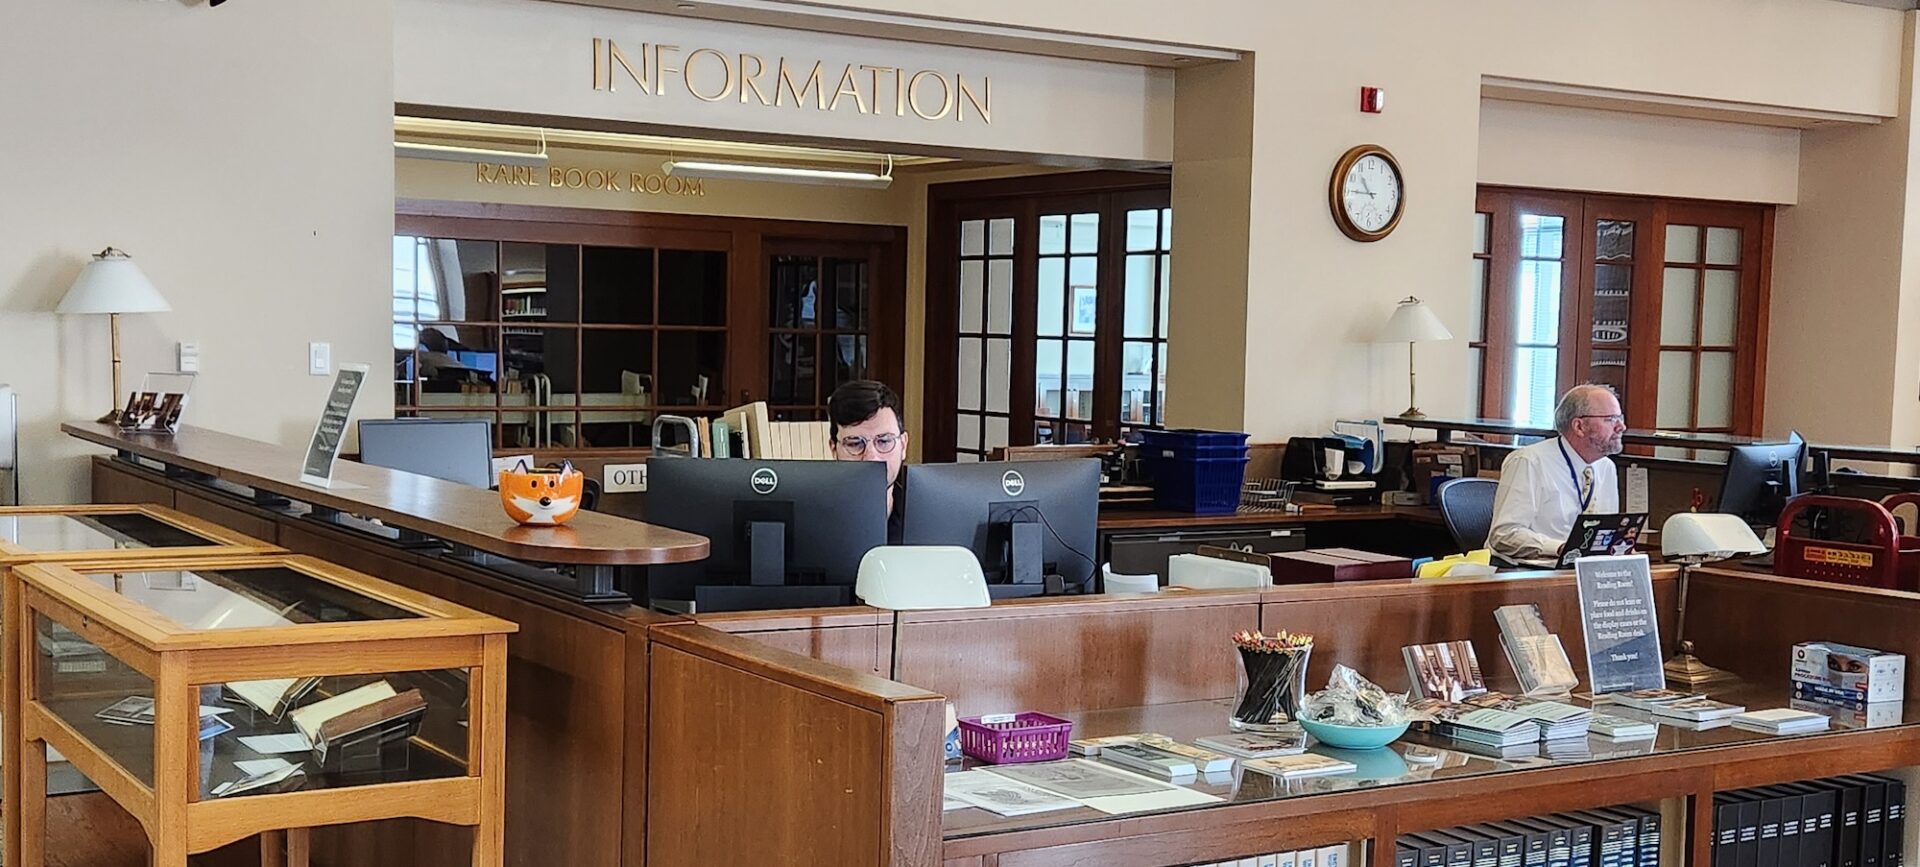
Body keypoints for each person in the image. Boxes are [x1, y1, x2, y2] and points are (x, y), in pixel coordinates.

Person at [1488, 383, 1626, 566]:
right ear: (1579, 426)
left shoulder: (1606, 467)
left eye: (1620, 418)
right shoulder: (1529, 461)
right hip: (1529, 571)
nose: (1621, 427)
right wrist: (1560, 548)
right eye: (1610, 419)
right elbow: (1504, 534)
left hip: (1583, 570)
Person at [828, 379, 909, 542]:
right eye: (855, 444)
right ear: (834, 449)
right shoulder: (814, 515)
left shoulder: (928, 514)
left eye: (884, 441)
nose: (872, 457)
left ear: (903, 445)